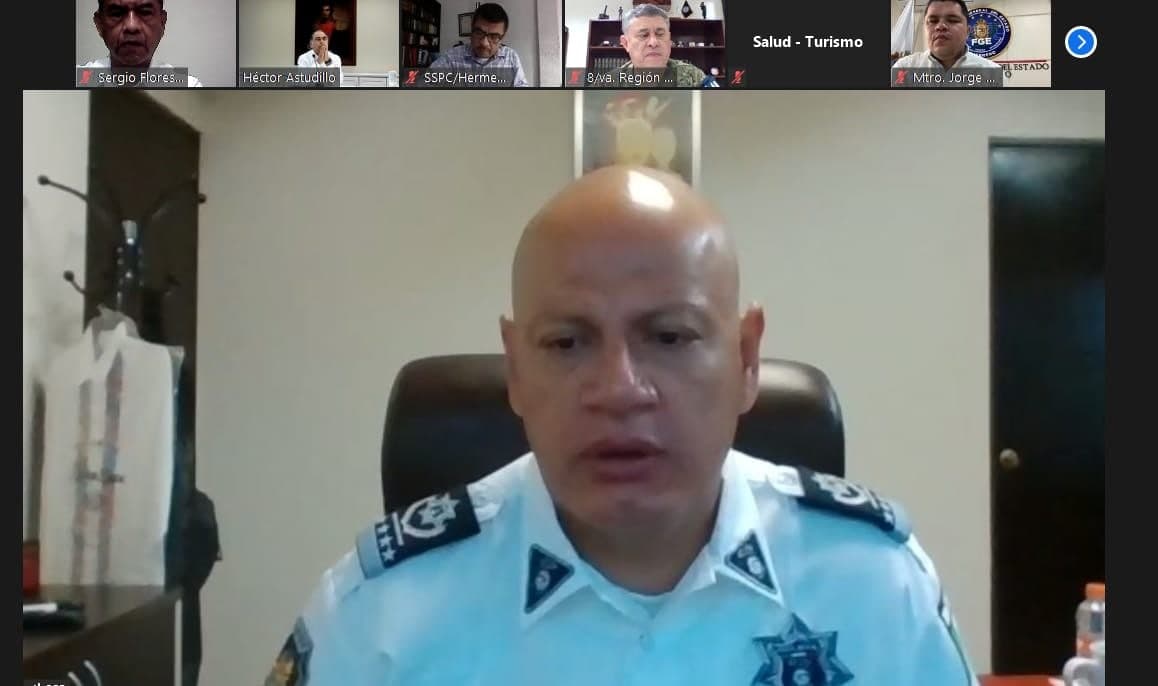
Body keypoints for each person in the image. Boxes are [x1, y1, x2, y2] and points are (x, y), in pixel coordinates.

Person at [263, 165, 980, 685]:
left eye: (669, 337)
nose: (620, 390)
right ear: (516, 368)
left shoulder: (876, 586)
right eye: (566, 343)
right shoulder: (380, 616)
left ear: (746, 358)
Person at [79, 0, 203, 87]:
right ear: (99, 24)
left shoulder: (188, 85)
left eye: (145, 12)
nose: (131, 26)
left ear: (162, 22)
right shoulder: (79, 78)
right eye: (117, 13)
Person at [604, 3, 707, 88]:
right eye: (644, 35)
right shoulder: (609, 84)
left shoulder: (695, 79)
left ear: (669, 39)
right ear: (626, 43)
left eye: (660, 34)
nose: (653, 43)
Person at [428, 3, 530, 87]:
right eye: (479, 32)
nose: (484, 43)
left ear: (502, 37)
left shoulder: (511, 57)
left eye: (493, 36)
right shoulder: (452, 56)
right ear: (471, 30)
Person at [892, 0, 1002, 75]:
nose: (940, 26)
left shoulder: (993, 74)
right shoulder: (904, 69)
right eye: (933, 21)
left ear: (967, 31)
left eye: (952, 20)